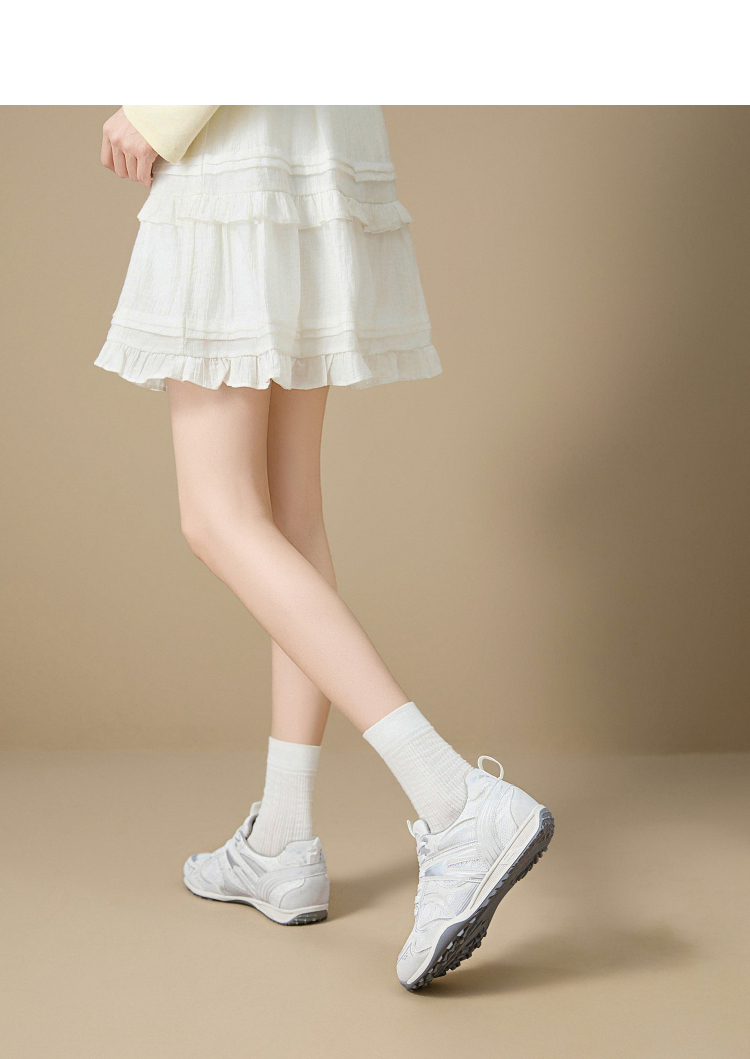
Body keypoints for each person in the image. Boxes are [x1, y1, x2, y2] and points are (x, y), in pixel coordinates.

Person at [97, 105, 554, 990]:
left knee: (220, 514)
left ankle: (456, 801)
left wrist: (160, 105)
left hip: (239, 155)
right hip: (313, 148)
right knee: (288, 514)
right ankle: (282, 837)